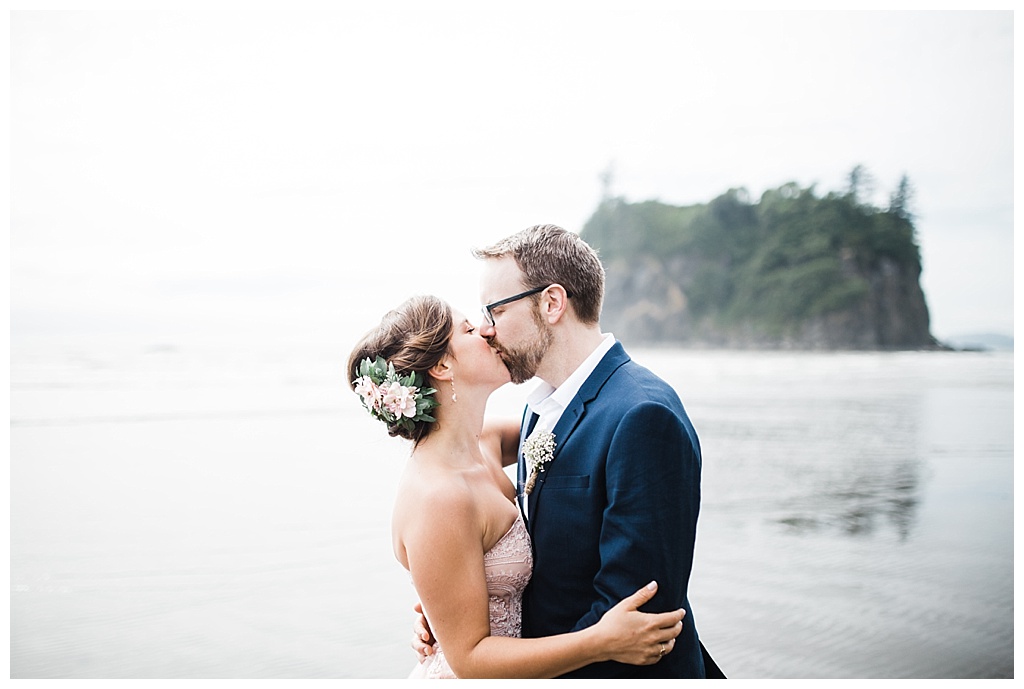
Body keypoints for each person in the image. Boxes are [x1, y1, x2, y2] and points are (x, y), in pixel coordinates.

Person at [413, 224, 716, 678]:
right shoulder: (544, 405)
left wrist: (493, 653)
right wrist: (459, 606)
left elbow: (635, 613)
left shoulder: (643, 416)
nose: (488, 330)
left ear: (552, 303)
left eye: (494, 310)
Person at [347, 295, 685, 679]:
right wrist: (600, 640)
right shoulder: (438, 497)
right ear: (442, 365)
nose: (488, 331)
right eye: (470, 330)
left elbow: (581, 426)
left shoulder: (487, 443)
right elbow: (469, 660)